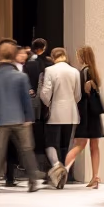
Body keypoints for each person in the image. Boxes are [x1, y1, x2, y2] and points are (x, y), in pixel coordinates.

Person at [0, 42, 40, 192]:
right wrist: (29, 118)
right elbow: (26, 99)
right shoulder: (21, 77)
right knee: (27, 150)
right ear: (14, 55)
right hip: (19, 118)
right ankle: (33, 181)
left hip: (0, 119)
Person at [39, 47, 82, 188]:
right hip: (71, 112)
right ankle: (64, 174)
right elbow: (78, 95)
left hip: (55, 111)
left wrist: (49, 103)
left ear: (52, 57)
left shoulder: (50, 70)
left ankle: (57, 168)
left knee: (51, 143)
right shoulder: (74, 71)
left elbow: (45, 93)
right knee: (65, 145)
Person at [64, 45, 104, 189]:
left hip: (85, 113)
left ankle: (62, 172)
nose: (77, 58)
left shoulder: (84, 71)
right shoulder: (93, 71)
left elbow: (80, 94)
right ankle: (95, 177)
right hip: (93, 114)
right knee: (94, 146)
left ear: (82, 56)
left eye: (78, 55)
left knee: (79, 144)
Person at [23, 38, 52, 168]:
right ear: (44, 47)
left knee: (33, 131)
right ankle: (46, 162)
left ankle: (32, 162)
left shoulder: (28, 64)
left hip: (31, 101)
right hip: (47, 102)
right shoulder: (49, 63)